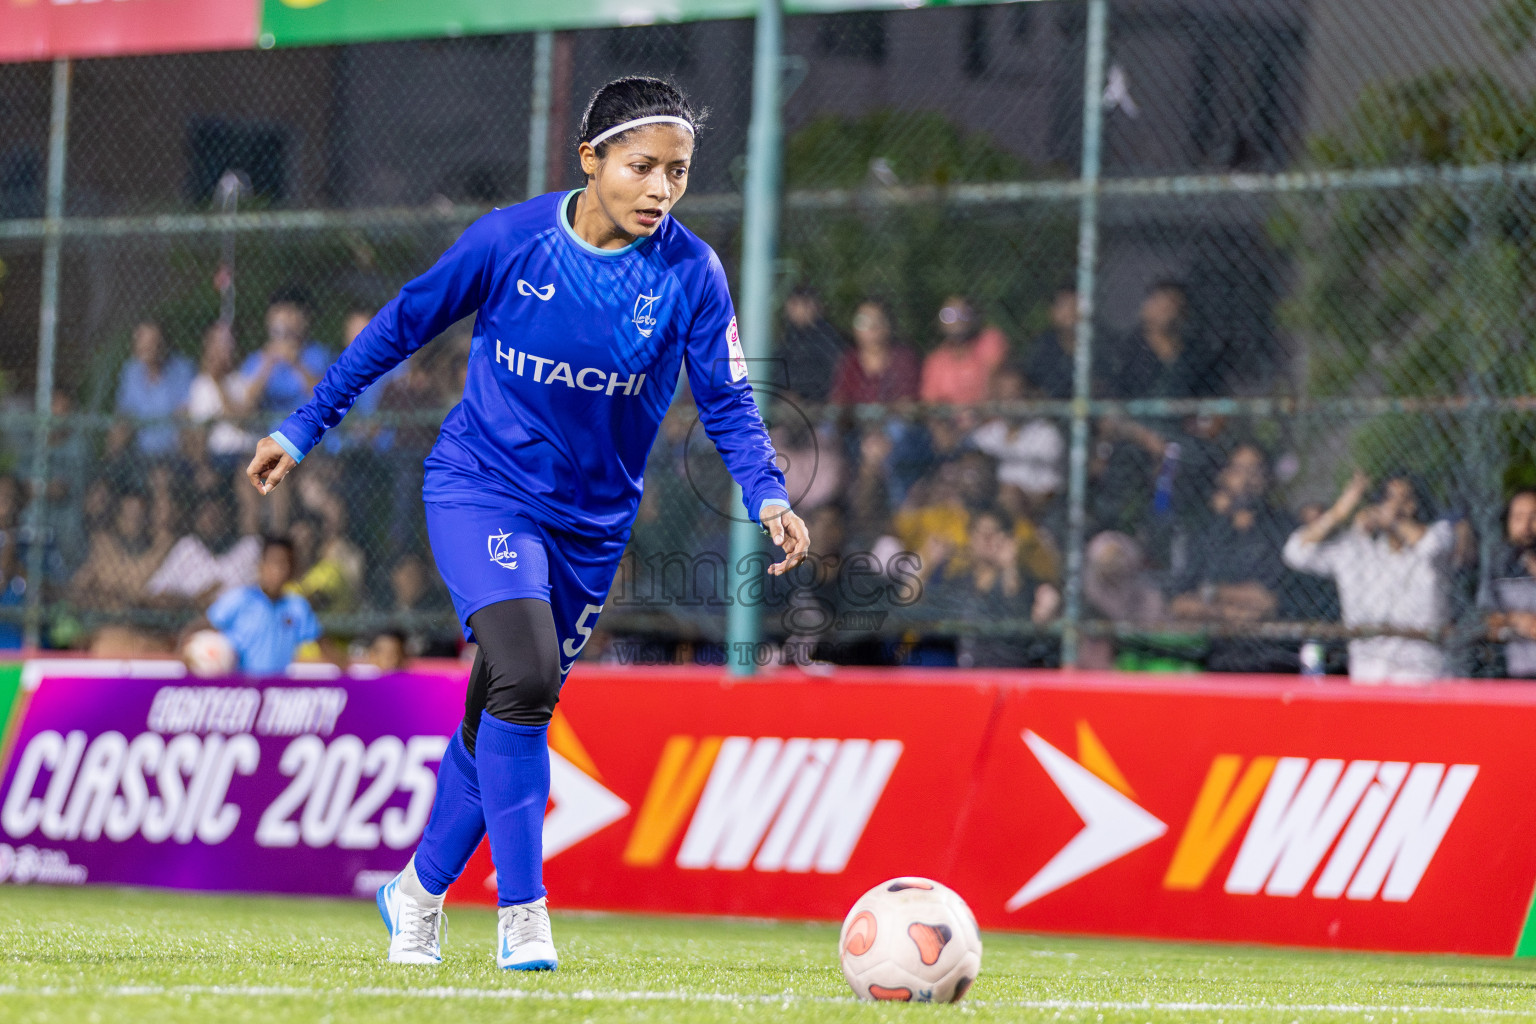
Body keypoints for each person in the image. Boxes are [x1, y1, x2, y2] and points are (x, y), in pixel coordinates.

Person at [244, 77, 808, 972]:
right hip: (481, 488)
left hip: (592, 528)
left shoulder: (690, 273)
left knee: (506, 706)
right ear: (590, 160)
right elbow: (400, 327)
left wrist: (768, 492)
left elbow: (729, 399)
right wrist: (303, 425)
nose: (661, 189)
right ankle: (523, 913)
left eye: (678, 172)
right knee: (528, 672)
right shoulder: (510, 239)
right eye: (642, 167)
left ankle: (416, 894)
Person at [1283, 471, 1454, 684]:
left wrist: (1393, 520)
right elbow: (1295, 554)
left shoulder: (1440, 533)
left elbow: (1431, 545)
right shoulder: (1356, 547)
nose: (1396, 506)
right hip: (1369, 675)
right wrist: (1338, 512)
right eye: (1388, 499)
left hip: (1424, 675)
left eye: (1405, 500)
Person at [206, 536, 321, 676]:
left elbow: (321, 643)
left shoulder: (297, 606)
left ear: (292, 569)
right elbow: (205, 625)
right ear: (261, 565)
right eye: (274, 563)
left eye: (285, 564)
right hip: (241, 686)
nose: (279, 570)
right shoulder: (240, 599)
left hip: (279, 687)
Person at [241, 288, 331, 414]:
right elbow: (246, 404)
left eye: (290, 313)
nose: (283, 320)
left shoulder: (318, 354)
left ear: (305, 319)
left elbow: (326, 398)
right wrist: (268, 364)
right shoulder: (256, 359)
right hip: (268, 426)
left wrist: (296, 363)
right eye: (277, 311)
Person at [115, 320, 195, 458]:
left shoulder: (182, 369)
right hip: (140, 452)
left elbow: (184, 416)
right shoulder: (131, 371)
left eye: (151, 342)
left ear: (163, 344)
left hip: (172, 452)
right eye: (141, 342)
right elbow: (125, 415)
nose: (145, 347)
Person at [919, 295, 1007, 407]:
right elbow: (930, 402)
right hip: (952, 416)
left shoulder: (989, 341)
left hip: (988, 412)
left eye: (963, 314)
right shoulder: (935, 361)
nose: (957, 320)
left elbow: (994, 381)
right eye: (949, 315)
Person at [828, 299, 920, 405]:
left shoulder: (903, 359)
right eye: (862, 322)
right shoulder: (849, 360)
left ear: (888, 326)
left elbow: (906, 401)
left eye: (877, 321)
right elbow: (839, 399)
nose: (871, 328)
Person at [1487, 489, 1536, 676]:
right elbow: (1489, 623)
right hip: (1514, 675)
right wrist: (1518, 621)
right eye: (1518, 518)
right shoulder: (1498, 567)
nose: (1526, 527)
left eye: (1533, 517)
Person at [778, 287, 846, 404]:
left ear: (817, 307)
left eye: (804, 304)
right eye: (793, 304)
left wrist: (801, 395)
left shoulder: (828, 338)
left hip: (817, 403)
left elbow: (830, 376)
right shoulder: (787, 338)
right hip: (783, 401)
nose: (797, 310)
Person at [1021, 282, 1078, 400]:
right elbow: (1030, 385)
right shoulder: (1042, 345)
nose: (1070, 312)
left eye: (1075, 305)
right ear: (1052, 312)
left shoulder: (1102, 344)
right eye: (1064, 306)